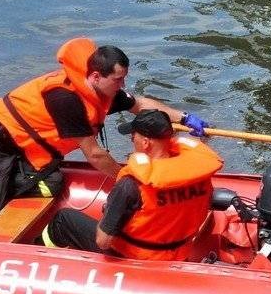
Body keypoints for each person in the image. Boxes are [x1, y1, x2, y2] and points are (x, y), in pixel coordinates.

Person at [0, 37, 212, 239]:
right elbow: (95, 154)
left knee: (50, 185)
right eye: (118, 80)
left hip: (24, 148)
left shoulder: (102, 92)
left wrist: (184, 118)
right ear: (96, 76)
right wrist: (129, 179)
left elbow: (139, 103)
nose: (122, 85)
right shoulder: (66, 99)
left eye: (124, 79)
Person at [40, 109, 224, 260]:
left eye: (132, 137)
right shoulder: (198, 176)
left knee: (63, 219)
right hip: (177, 252)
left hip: (134, 257)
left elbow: (103, 242)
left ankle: (35, 256)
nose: (131, 141)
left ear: (145, 143)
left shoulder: (130, 186)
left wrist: (112, 215)